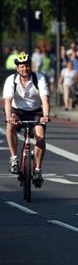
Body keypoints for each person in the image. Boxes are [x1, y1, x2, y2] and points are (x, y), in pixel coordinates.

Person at [3, 52, 50, 187]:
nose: (25, 69)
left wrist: (45, 116)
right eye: (22, 66)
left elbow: (45, 100)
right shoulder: (11, 80)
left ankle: (38, 170)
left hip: (36, 111)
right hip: (17, 111)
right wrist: (9, 117)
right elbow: (8, 101)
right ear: (17, 68)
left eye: (27, 66)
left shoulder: (39, 78)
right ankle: (14, 159)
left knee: (40, 137)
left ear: (31, 66)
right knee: (10, 125)